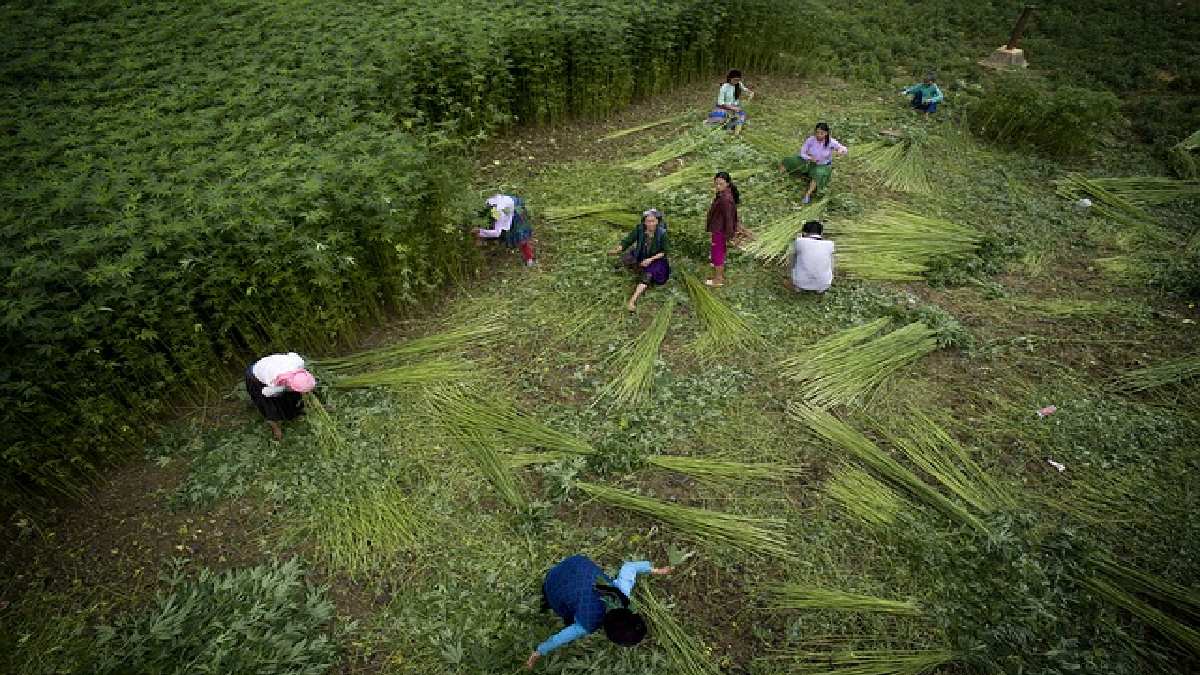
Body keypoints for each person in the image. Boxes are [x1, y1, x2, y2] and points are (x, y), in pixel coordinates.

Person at [525, 555, 672, 670]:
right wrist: (539, 652)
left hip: (575, 563)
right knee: (565, 610)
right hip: (552, 582)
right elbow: (560, 638)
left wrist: (655, 570)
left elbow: (629, 567)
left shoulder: (621, 593)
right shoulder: (587, 623)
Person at [245, 352, 317, 441]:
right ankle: (276, 429)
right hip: (256, 374)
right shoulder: (274, 382)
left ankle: (296, 411)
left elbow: (292, 354)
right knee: (269, 405)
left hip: (274, 362)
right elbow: (266, 393)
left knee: (293, 397)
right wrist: (284, 390)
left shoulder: (299, 363)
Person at [610, 209, 670, 312]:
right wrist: (617, 249)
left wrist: (650, 259)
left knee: (648, 275)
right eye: (648, 221)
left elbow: (665, 251)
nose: (650, 224)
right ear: (644, 222)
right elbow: (628, 241)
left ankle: (632, 300)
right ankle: (636, 267)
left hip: (656, 259)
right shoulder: (640, 229)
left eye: (653, 221)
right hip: (641, 254)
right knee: (620, 263)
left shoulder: (662, 233)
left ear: (657, 221)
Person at [780, 122, 848, 204]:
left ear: (826, 133)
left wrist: (840, 151)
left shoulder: (831, 142)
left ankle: (807, 195)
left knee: (818, 174)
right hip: (808, 161)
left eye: (821, 133)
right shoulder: (811, 140)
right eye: (817, 133)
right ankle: (780, 175)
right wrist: (809, 158)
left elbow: (843, 149)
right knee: (789, 160)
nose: (819, 135)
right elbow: (802, 152)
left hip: (822, 165)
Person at [472, 194, 537, 267]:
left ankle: (529, 259)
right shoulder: (489, 204)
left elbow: (497, 233)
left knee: (520, 236)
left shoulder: (499, 213)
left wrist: (480, 231)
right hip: (507, 206)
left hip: (515, 209)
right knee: (498, 230)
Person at [705, 171, 741, 287]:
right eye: (716, 184)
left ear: (728, 183)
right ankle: (716, 262)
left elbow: (729, 219)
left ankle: (718, 279)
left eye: (721, 184)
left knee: (717, 253)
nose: (718, 186)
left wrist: (730, 235)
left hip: (720, 230)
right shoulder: (723, 194)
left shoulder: (725, 199)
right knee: (718, 250)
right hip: (718, 227)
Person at [788, 220, 835, 293]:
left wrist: (791, 270)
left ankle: (798, 287)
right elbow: (831, 264)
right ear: (821, 233)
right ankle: (820, 289)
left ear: (804, 232)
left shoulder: (799, 241)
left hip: (800, 282)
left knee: (794, 256)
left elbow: (792, 260)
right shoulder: (830, 244)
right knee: (830, 258)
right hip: (824, 283)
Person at [706, 69, 753, 134]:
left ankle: (735, 132)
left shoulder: (739, 84)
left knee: (741, 116)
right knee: (720, 118)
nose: (736, 81)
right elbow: (720, 103)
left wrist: (750, 92)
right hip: (724, 107)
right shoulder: (724, 87)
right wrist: (732, 108)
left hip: (735, 107)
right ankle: (723, 127)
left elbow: (745, 89)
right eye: (735, 80)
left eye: (738, 80)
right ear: (730, 78)